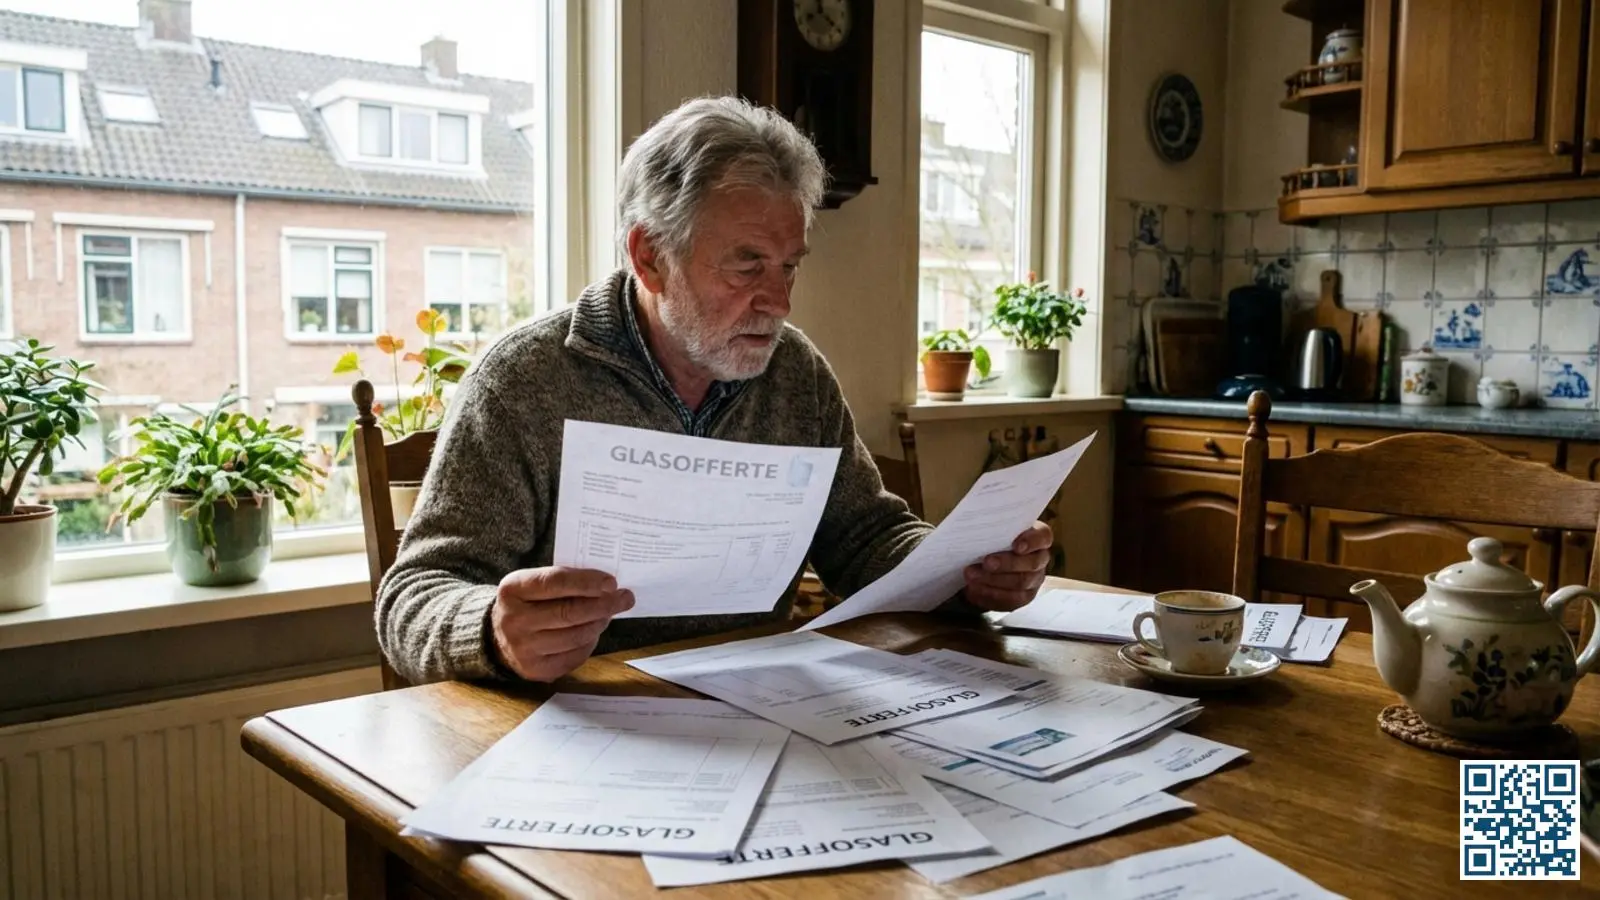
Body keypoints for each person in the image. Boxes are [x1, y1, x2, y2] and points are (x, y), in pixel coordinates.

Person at [376, 95, 1055, 686]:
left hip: (758, 707)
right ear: (650, 257)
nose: (779, 302)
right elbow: (410, 598)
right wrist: (492, 629)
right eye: (747, 264)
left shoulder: (794, 372)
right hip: (575, 718)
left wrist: (964, 571)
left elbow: (864, 537)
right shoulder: (525, 381)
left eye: (789, 266)